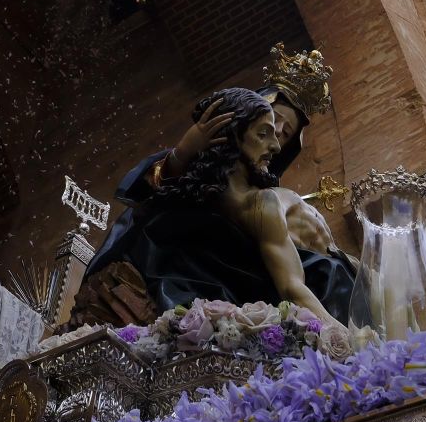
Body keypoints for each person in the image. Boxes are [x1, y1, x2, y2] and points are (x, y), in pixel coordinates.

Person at [82, 87, 356, 328]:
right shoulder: (203, 167)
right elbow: (148, 195)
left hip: (260, 263)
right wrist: (183, 152)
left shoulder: (265, 197)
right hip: (195, 257)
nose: (276, 142)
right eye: (270, 125)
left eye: (284, 134)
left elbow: (289, 271)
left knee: (328, 271)